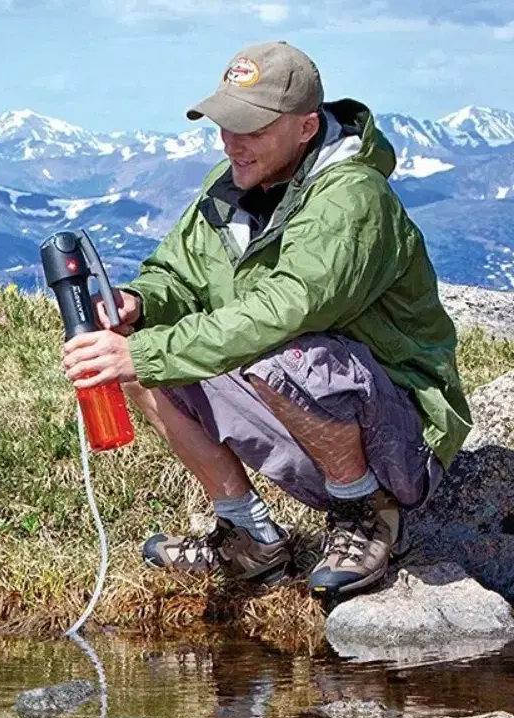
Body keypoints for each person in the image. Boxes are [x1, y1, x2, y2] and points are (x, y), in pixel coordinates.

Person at [61, 41, 472, 602]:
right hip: (305, 408)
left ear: (305, 129)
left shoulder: (353, 199)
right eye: (226, 126)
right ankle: (247, 534)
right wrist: (140, 303)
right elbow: (179, 275)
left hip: (401, 437)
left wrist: (150, 351)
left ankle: (367, 514)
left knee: (281, 353)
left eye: (251, 129)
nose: (232, 143)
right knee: (132, 354)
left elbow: (283, 310)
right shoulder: (232, 184)